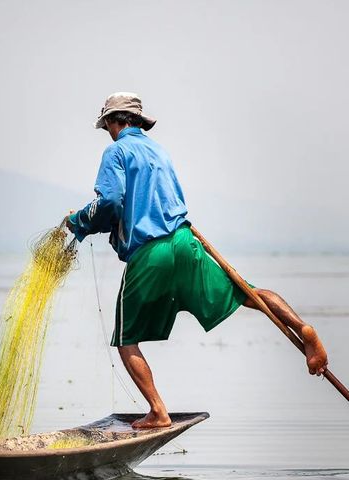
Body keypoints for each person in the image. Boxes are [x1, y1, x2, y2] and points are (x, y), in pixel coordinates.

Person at [66, 92, 328, 429]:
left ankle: (158, 411)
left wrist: (80, 221)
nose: (109, 132)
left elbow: (110, 203)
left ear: (116, 122)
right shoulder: (159, 151)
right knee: (247, 293)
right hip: (185, 241)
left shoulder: (116, 151)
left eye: (108, 126)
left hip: (151, 252)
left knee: (125, 338)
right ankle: (303, 329)